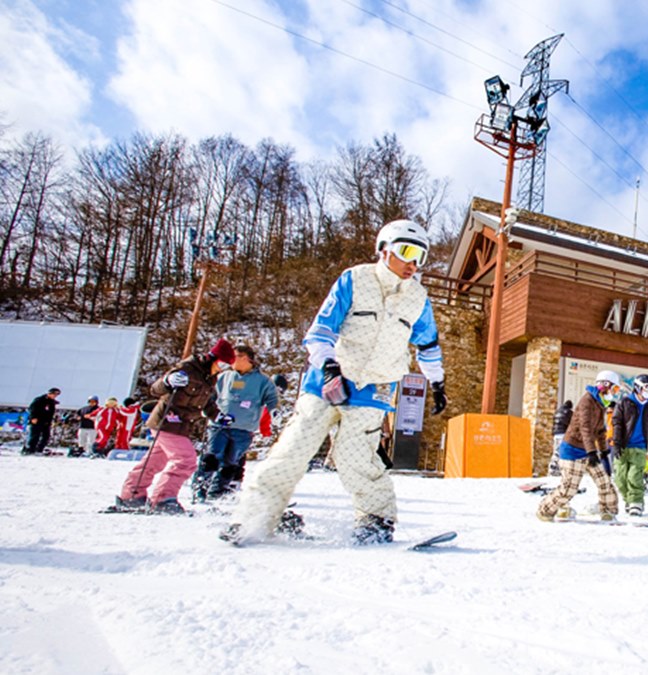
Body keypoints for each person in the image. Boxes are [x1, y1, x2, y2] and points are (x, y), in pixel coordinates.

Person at [223, 220, 448, 546]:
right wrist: (329, 366)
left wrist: (437, 383)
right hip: (327, 383)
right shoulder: (355, 280)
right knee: (294, 449)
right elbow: (320, 332)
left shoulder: (418, 298)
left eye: (421, 257)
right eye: (407, 252)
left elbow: (427, 344)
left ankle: (375, 520)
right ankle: (254, 516)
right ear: (384, 250)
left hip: (376, 387)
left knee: (356, 457)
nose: (413, 263)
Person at [111, 339, 237, 514]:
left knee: (155, 460)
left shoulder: (210, 377)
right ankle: (163, 499)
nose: (222, 369)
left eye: (227, 367)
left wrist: (218, 416)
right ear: (212, 358)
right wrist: (168, 381)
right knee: (185, 460)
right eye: (222, 364)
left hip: (182, 425)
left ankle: (132, 494)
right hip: (166, 421)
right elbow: (156, 389)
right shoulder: (188, 368)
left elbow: (207, 403)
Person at [195, 344, 279, 501]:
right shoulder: (224, 376)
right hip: (219, 424)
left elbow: (272, 398)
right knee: (212, 456)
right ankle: (200, 488)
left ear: (248, 359)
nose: (232, 360)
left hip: (244, 427)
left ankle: (217, 491)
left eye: (237, 356)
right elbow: (211, 394)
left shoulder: (263, 381)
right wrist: (205, 409)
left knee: (231, 462)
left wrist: (273, 409)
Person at [536, 370, 621, 522]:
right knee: (569, 488)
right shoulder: (587, 401)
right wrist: (591, 452)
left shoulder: (600, 403)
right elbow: (585, 428)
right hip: (573, 450)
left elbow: (600, 430)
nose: (614, 393)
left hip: (589, 450)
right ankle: (545, 511)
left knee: (604, 481)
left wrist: (603, 451)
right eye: (614, 389)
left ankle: (608, 511)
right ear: (605, 385)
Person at [611, 373, 648, 517]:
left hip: (640, 448)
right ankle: (629, 500)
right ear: (638, 387)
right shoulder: (625, 403)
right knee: (620, 479)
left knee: (634, 477)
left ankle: (636, 503)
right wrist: (617, 444)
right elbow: (617, 423)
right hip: (623, 446)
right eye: (646, 387)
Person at [21, 387, 60, 455]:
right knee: (35, 436)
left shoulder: (52, 402)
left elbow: (51, 412)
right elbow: (32, 408)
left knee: (46, 436)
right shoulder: (39, 400)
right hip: (37, 420)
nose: (55, 396)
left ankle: (39, 449)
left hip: (46, 422)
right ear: (49, 393)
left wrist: (53, 420)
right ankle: (30, 449)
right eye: (54, 394)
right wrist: (33, 417)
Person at [548, 399, 572, 476]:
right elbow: (571, 423)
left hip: (556, 434)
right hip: (563, 434)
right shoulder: (568, 412)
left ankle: (555, 469)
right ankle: (553, 469)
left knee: (556, 450)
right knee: (559, 452)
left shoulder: (557, 411)